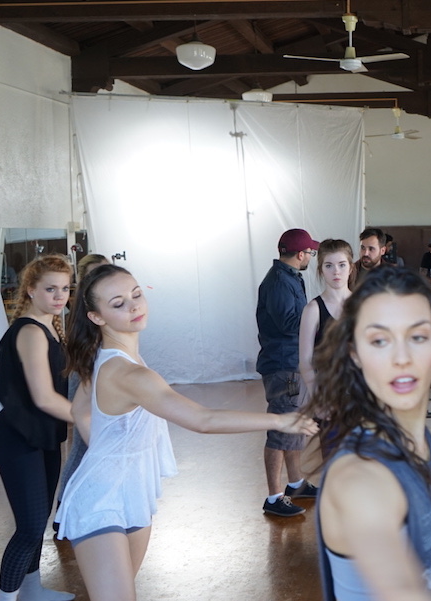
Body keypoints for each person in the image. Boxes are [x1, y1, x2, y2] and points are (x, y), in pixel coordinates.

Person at [57, 264, 317, 601]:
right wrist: (279, 421)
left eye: (136, 294)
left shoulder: (109, 359)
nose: (135, 306)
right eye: (118, 303)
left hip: (132, 495)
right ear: (96, 316)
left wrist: (111, 451)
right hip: (100, 501)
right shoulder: (126, 372)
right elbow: (203, 420)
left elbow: (80, 411)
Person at [306, 266, 431, 601]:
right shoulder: (360, 478)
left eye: (418, 337)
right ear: (355, 353)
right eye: (380, 340)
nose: (401, 357)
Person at [0, 255, 77, 601]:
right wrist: (89, 419)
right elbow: (43, 397)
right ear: (30, 290)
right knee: (29, 527)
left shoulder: (50, 328)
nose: (60, 296)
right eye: (51, 289)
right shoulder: (30, 332)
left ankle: (31, 590)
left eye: (66, 289)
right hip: (17, 437)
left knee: (37, 521)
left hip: (42, 436)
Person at [257, 228, 321, 517]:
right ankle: (273, 497)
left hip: (293, 364)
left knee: (295, 423)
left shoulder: (289, 278)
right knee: (281, 427)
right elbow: (289, 324)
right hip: (284, 367)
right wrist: (320, 317)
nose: (311, 256)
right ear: (300, 254)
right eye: (310, 252)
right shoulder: (280, 282)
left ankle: (295, 483)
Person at [56, 254, 111, 515]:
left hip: (102, 375)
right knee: (81, 445)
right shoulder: (80, 311)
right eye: (96, 273)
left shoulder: (107, 305)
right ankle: (64, 508)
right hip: (85, 374)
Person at [298, 239, 354, 407]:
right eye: (329, 265)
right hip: (329, 394)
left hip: (361, 394)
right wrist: (318, 398)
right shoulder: (312, 310)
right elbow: (305, 360)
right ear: (321, 270)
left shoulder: (363, 305)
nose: (336, 271)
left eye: (342, 265)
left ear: (351, 268)